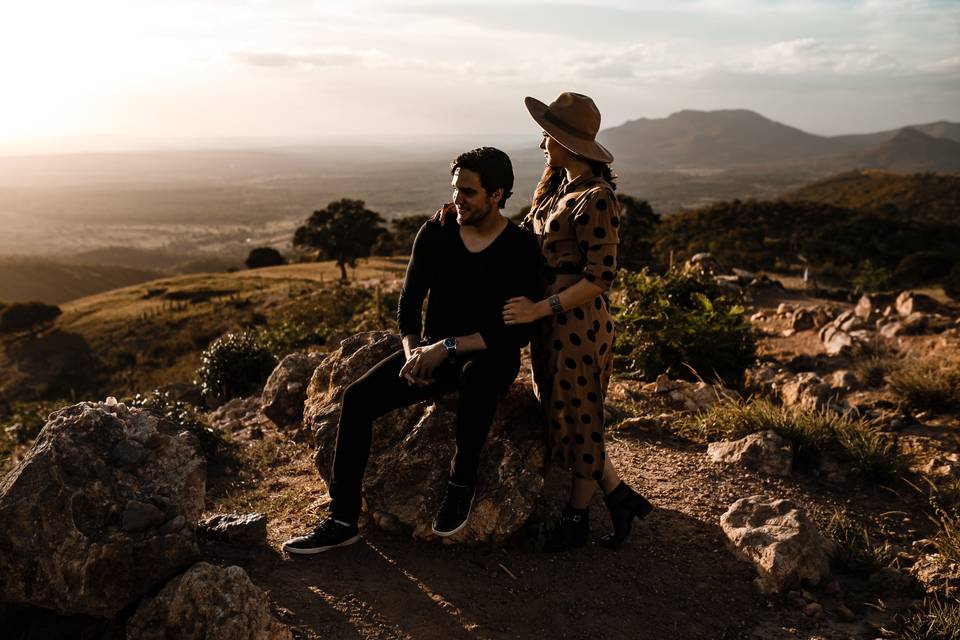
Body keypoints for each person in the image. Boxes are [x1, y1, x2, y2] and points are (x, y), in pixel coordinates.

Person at [282, 147, 543, 555]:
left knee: (476, 377)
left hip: (487, 355)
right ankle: (342, 519)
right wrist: (411, 353)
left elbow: (513, 335)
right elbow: (408, 303)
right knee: (356, 399)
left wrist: (445, 346)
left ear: (497, 194)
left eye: (469, 192)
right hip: (430, 354)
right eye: (456, 189)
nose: (458, 199)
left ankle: (461, 483)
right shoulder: (436, 232)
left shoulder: (519, 248)